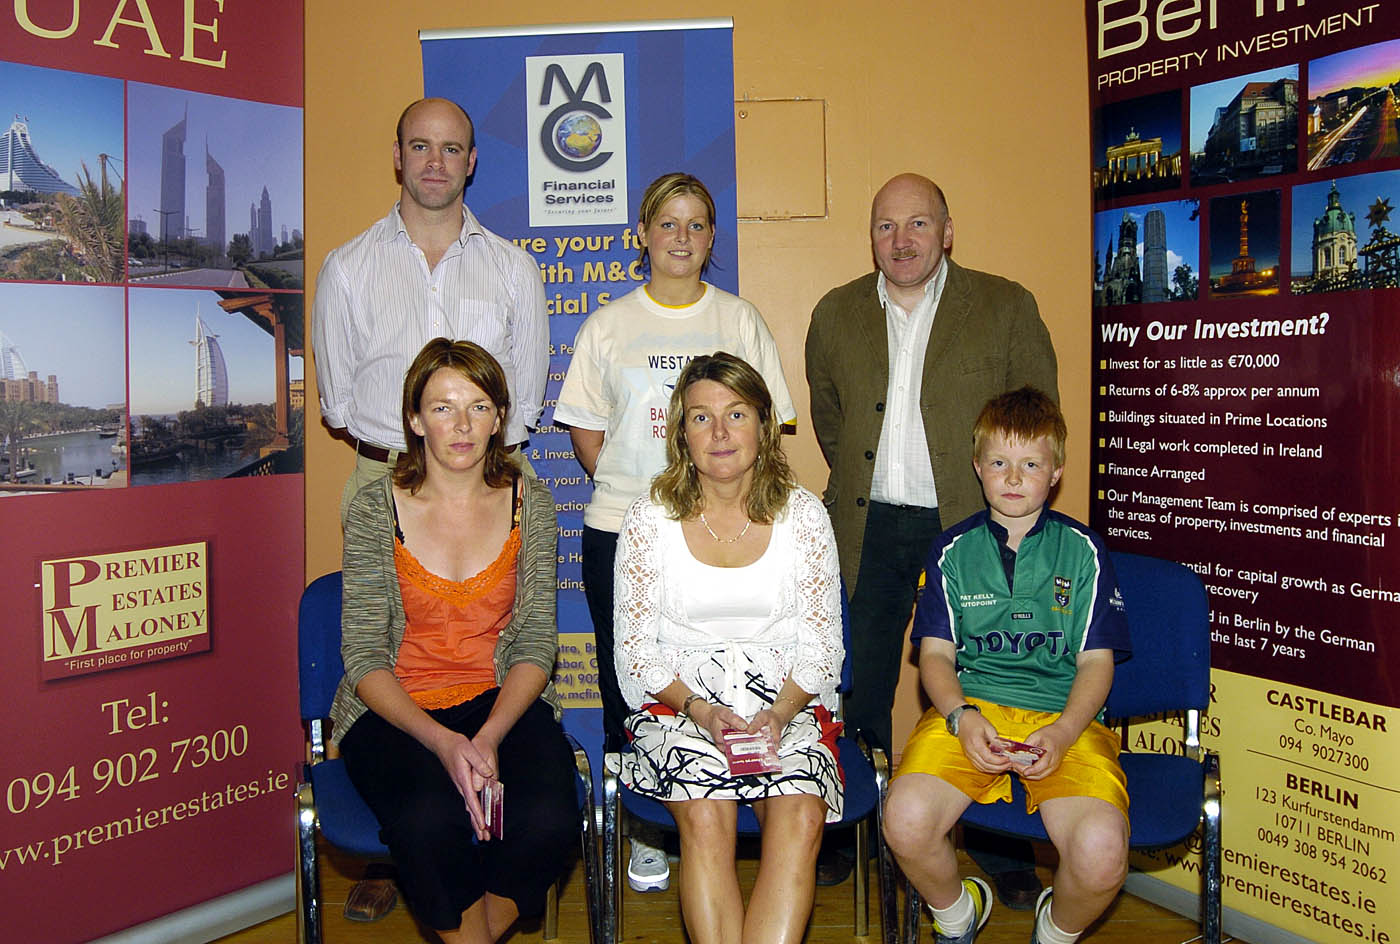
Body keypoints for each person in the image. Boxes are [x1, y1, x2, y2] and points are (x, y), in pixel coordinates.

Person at [804, 172, 1057, 896]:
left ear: (947, 231)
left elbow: (1035, 413)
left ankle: (1001, 838)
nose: (902, 240)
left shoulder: (1005, 306)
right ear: (871, 236)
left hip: (976, 527)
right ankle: (858, 826)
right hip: (870, 522)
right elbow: (831, 416)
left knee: (991, 676)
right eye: (886, 226)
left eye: (919, 224)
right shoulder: (836, 312)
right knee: (863, 681)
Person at [554, 172, 796, 891]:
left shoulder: (739, 320)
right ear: (642, 234)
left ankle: (719, 800)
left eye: (696, 225)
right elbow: (589, 439)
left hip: (724, 528)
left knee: (717, 667)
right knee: (627, 679)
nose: (682, 238)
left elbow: (771, 428)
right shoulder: (608, 325)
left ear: (712, 238)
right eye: (668, 224)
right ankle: (648, 826)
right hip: (625, 529)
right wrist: (648, 500)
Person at [330, 339, 576, 944]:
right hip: (394, 709)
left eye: (479, 406)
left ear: (500, 418)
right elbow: (363, 655)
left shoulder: (531, 502)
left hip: (498, 701)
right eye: (443, 407)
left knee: (549, 818)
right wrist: (445, 744)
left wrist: (487, 738)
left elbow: (535, 643)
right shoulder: (372, 506)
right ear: (415, 419)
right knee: (425, 821)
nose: (462, 425)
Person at [883, 387, 1132, 944]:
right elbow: (936, 657)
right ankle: (958, 914)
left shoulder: (1085, 551)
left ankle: (1054, 931)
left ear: (1056, 471)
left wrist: (1066, 731)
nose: (1013, 478)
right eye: (999, 462)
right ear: (978, 467)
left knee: (1101, 854)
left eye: (1030, 464)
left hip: (1064, 718)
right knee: (903, 818)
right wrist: (959, 716)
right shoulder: (950, 550)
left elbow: (1096, 662)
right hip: (972, 711)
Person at [613, 353, 843, 944]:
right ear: (679, 433)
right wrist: (702, 711)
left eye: (736, 414)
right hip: (682, 708)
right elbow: (637, 653)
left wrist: (780, 713)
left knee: (799, 815)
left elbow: (821, 646)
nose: (719, 433)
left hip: (786, 708)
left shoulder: (806, 516)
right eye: (700, 418)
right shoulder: (648, 520)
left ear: (764, 426)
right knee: (707, 817)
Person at [313, 97, 548, 525]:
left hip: (496, 481)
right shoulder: (346, 268)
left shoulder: (515, 269)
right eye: (421, 146)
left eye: (451, 149)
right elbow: (340, 406)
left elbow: (528, 402)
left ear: (471, 161)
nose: (436, 162)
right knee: (378, 598)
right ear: (398, 157)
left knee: (514, 597)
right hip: (384, 483)